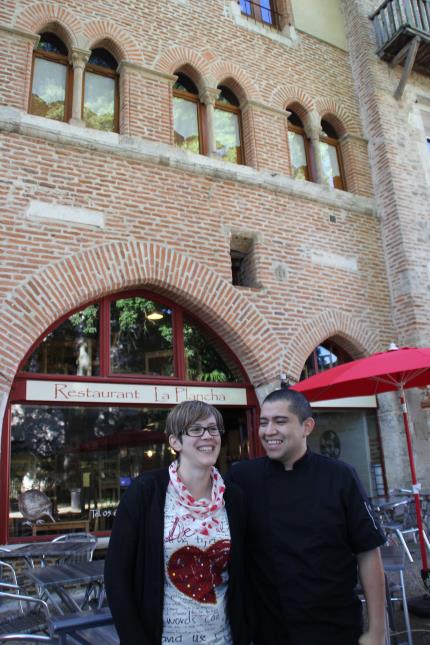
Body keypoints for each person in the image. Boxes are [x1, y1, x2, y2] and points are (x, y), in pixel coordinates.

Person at [228, 387, 386, 645]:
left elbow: (368, 552)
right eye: (264, 422)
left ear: (307, 426)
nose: (269, 431)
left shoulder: (340, 477)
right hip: (267, 633)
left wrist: (377, 631)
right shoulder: (243, 477)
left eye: (280, 421)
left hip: (335, 630)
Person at [105, 400, 249, 645]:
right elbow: (116, 576)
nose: (208, 436)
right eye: (196, 429)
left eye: (213, 429)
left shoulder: (233, 498)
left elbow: (245, 574)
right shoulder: (146, 493)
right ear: (174, 441)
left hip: (222, 639)